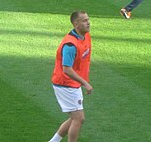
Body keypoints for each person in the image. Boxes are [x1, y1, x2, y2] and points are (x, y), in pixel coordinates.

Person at [49, 11, 93, 142]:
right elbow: (67, 69)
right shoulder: (70, 45)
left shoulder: (86, 36)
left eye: (88, 19)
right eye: (84, 20)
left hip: (73, 83)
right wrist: (85, 83)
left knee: (76, 117)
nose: (88, 22)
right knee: (78, 118)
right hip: (66, 84)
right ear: (76, 24)